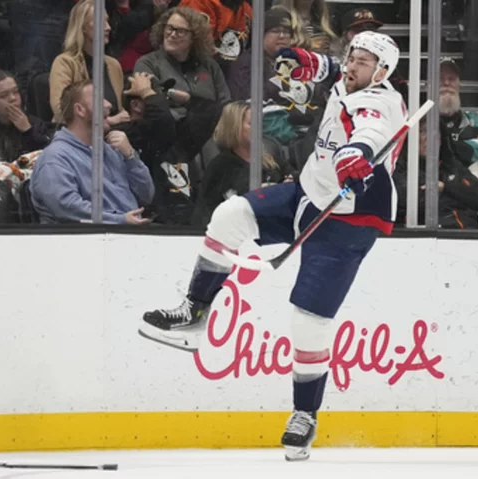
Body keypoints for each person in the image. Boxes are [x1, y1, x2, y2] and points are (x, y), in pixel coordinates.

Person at [139, 31, 406, 461]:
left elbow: (370, 131)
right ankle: (195, 311)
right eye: (352, 57)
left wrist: (355, 154)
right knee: (229, 216)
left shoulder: (380, 103)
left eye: (362, 61)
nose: (352, 65)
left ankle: (304, 415)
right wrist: (309, 62)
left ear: (383, 72)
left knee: (308, 320)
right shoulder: (353, 78)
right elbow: (335, 72)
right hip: (309, 196)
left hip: (349, 221)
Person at [30, 79, 154, 224]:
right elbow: (66, 207)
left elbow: (146, 196)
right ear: (80, 110)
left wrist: (131, 157)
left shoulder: (113, 150)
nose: (109, 105)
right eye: (99, 99)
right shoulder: (55, 158)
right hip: (86, 242)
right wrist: (120, 221)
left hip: (130, 236)